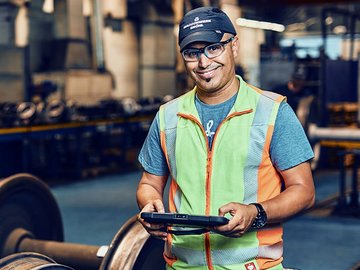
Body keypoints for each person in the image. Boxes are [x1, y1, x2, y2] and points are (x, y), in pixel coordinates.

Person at [136, 6, 315, 270]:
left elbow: (304, 191)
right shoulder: (168, 117)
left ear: (234, 46)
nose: (204, 62)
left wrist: (255, 213)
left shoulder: (272, 112)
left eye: (213, 48)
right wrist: (148, 203)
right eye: (192, 53)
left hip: (253, 266)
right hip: (181, 266)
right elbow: (149, 183)